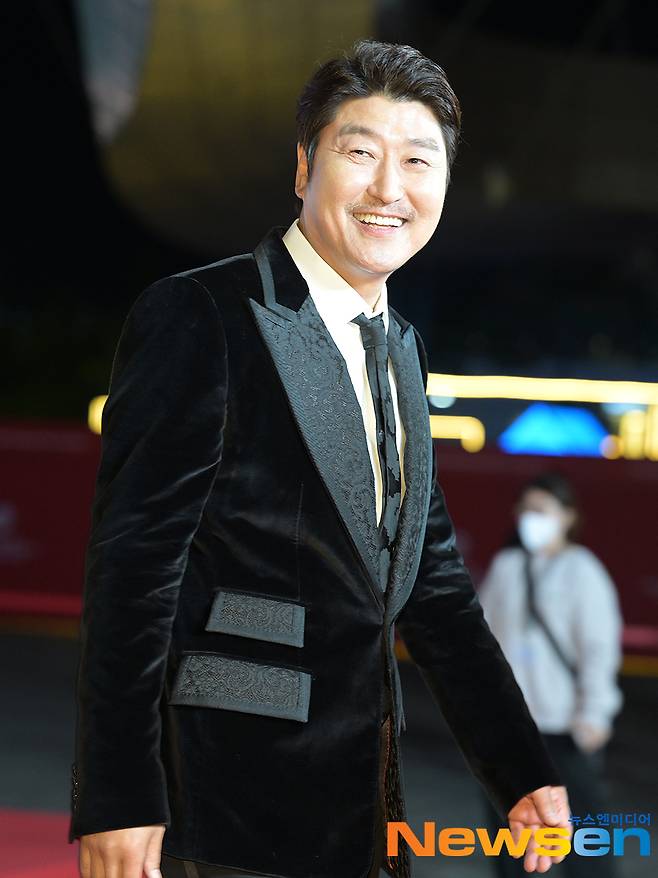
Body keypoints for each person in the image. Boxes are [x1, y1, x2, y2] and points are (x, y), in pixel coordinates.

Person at [68, 39, 571, 878]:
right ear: (304, 168)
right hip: (221, 807)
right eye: (360, 153)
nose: (389, 189)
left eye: (418, 161)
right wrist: (118, 793)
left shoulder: (403, 349)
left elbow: (433, 587)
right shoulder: (202, 313)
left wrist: (520, 770)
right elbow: (133, 572)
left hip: (363, 809)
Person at [478, 470, 623, 877]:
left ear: (568, 516)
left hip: (564, 729)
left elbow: (598, 649)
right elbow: (482, 642)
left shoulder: (582, 570)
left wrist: (594, 714)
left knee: (584, 843)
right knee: (511, 841)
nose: (530, 518)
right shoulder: (507, 566)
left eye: (541, 510)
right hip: (510, 729)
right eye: (525, 510)